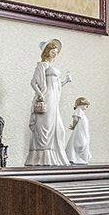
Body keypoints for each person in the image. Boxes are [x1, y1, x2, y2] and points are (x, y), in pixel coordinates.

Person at [26, 39, 69, 167]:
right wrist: (40, 95)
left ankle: (55, 155)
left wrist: (66, 81)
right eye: (52, 51)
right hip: (47, 98)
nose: (55, 53)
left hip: (54, 99)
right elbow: (33, 82)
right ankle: (42, 157)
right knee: (45, 125)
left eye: (56, 52)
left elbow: (56, 85)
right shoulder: (42, 65)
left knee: (58, 127)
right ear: (47, 51)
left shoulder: (52, 67)